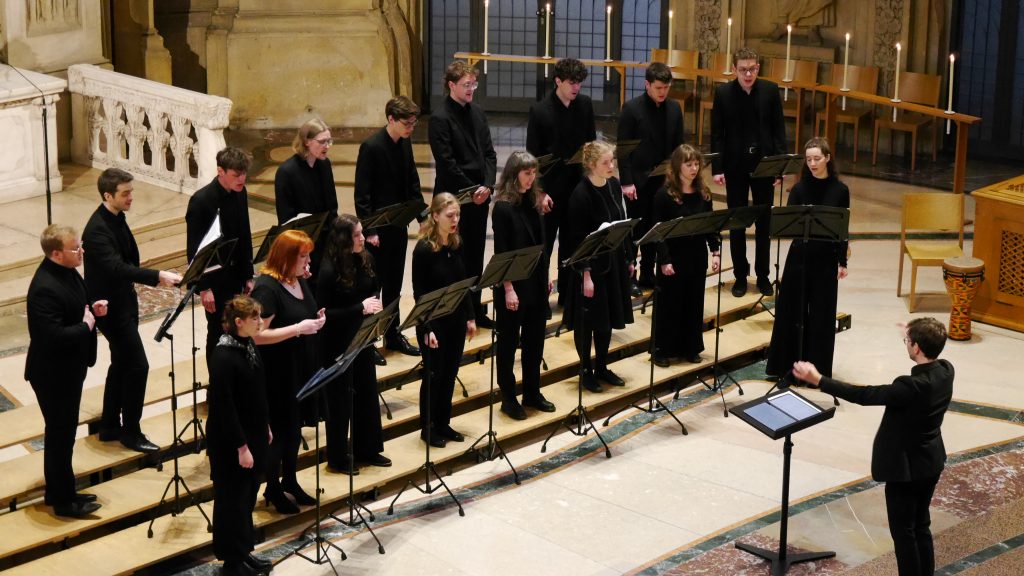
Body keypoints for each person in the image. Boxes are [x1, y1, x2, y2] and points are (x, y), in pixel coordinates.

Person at [792, 317, 953, 576]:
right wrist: (916, 333)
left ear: (916, 348)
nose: (906, 345)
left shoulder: (910, 386)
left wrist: (819, 379)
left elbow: (863, 396)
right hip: (930, 461)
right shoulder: (946, 370)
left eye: (908, 342)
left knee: (904, 533)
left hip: (906, 469)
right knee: (921, 525)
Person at [83, 168, 182, 454]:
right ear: (107, 195)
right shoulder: (97, 230)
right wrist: (157, 276)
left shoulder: (115, 218)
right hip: (109, 309)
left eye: (131, 192)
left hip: (123, 302)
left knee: (121, 363)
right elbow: (116, 267)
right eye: (125, 193)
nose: (131, 198)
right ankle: (131, 432)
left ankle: (111, 424)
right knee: (138, 365)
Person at [25, 224, 106, 518]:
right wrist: (85, 325)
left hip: (68, 369)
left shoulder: (67, 271)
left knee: (63, 434)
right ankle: (63, 501)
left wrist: (91, 310)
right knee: (60, 435)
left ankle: (61, 491)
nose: (81, 252)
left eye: (80, 245)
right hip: (52, 374)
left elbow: (76, 305)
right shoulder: (45, 288)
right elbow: (52, 336)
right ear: (57, 253)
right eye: (75, 248)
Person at [250, 230, 326, 514]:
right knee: (281, 433)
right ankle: (272, 486)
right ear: (286, 257)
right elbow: (257, 335)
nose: (308, 261)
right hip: (277, 372)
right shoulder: (267, 288)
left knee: (294, 432)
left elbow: (304, 312)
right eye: (303, 256)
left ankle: (290, 480)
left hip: (300, 366)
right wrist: (298, 328)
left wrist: (315, 320)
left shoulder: (296, 280)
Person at [766, 137, 849, 380]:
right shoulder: (800, 189)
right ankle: (787, 368)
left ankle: (817, 373)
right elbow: (789, 225)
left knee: (822, 315)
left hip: (825, 259)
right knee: (792, 311)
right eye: (809, 159)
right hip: (799, 257)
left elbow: (842, 230)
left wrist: (842, 262)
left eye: (817, 158)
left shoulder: (840, 190)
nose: (812, 163)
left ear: (828, 158)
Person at [316, 215, 390, 475]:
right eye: (357, 235)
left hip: (362, 337)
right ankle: (337, 457)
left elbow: (373, 288)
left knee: (366, 392)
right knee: (339, 402)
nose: (362, 238)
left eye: (362, 233)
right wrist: (360, 308)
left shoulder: (365, 258)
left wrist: (375, 306)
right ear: (344, 240)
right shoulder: (328, 271)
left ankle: (367, 449)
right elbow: (323, 315)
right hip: (337, 343)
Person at [710, 47, 786, 298]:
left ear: (758, 68)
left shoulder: (770, 90)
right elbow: (717, 134)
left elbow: (778, 131)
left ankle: (763, 275)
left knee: (764, 222)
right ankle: (740, 276)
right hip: (735, 165)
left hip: (764, 165)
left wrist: (779, 166)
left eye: (752, 68)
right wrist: (718, 167)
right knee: (738, 222)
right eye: (743, 69)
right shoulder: (723, 93)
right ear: (734, 69)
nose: (748, 74)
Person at [206, 295, 274, 576]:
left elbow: (257, 391)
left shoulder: (247, 345)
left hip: (253, 434)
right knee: (231, 501)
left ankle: (244, 551)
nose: (260, 322)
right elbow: (224, 407)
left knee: (246, 498)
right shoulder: (223, 356)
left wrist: (266, 425)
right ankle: (232, 561)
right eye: (255, 318)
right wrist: (241, 446)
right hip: (231, 443)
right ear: (238, 322)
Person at [428, 61, 498, 328]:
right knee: (453, 256)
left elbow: (490, 153)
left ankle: (475, 310)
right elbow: (446, 164)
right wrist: (473, 189)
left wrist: (488, 185)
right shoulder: (440, 118)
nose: (471, 90)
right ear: (451, 85)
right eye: (466, 85)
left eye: (473, 84)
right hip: (455, 197)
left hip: (479, 196)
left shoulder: (477, 112)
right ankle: (456, 312)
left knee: (475, 255)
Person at [354, 96, 422, 362]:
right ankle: (368, 341)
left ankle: (393, 334)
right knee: (373, 288)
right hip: (377, 233)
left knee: (394, 284)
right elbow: (362, 194)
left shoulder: (404, 143)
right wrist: (369, 230)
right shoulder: (370, 147)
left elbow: (413, 180)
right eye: (407, 123)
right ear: (391, 119)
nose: (411, 127)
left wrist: (420, 214)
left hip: (397, 226)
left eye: (414, 123)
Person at [491, 152, 557, 420]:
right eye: (527, 173)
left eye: (534, 173)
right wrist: (508, 288)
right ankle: (508, 397)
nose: (532, 178)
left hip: (535, 281)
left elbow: (541, 245)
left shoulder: (533, 202)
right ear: (514, 173)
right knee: (507, 344)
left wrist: (547, 274)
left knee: (534, 341)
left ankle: (532, 391)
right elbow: (502, 253)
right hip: (513, 287)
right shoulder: (504, 208)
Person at [564, 141, 634, 393]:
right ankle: (586, 370)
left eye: (612, 161)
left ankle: (602, 366)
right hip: (589, 269)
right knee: (588, 322)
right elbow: (575, 240)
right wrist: (586, 275)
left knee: (606, 320)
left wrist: (629, 258)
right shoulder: (580, 194)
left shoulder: (614, 186)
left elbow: (621, 222)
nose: (612, 166)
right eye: (606, 162)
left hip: (612, 263)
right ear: (592, 165)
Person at [526, 57, 596, 303]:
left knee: (573, 243)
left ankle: (568, 297)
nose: (576, 87)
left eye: (579, 83)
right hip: (550, 190)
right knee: (544, 247)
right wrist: (540, 192)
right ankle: (540, 300)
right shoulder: (540, 110)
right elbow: (532, 157)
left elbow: (590, 147)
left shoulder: (585, 106)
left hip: (577, 189)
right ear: (557, 81)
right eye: (571, 82)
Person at [411, 192, 477, 448]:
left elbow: (462, 285)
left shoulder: (456, 243)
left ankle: (443, 422)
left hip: (455, 320)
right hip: (433, 325)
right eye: (450, 216)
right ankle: (427, 427)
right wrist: (427, 329)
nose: (455, 220)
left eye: (458, 215)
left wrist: (470, 316)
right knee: (434, 375)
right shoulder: (424, 250)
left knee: (450, 374)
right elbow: (419, 294)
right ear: (435, 216)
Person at [651, 145, 721, 367]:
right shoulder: (664, 196)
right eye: (688, 164)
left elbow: (710, 225)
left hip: (696, 256)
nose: (693, 168)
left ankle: (690, 348)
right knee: (669, 304)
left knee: (693, 302)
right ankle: (661, 350)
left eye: (696, 164)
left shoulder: (703, 193)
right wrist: (664, 260)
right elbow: (658, 232)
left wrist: (715, 251)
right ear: (677, 166)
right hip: (673, 258)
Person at [617, 61, 685, 293]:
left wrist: (678, 178)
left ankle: (648, 273)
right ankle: (631, 275)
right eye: (658, 88)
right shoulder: (631, 109)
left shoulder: (674, 109)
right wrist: (626, 182)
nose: (663, 92)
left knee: (657, 227)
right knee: (637, 229)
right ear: (647, 85)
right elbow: (623, 150)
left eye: (666, 88)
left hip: (663, 180)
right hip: (637, 181)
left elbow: (679, 148)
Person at [186, 147, 255, 361]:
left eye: (244, 173)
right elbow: (195, 249)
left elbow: (245, 233)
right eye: (236, 174)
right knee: (218, 330)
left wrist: (248, 274)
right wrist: (204, 287)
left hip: (235, 274)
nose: (242, 179)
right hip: (214, 280)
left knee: (238, 326)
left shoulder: (240, 191)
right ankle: (217, 379)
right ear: (220, 171)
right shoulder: (201, 201)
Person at [274, 118, 340, 284]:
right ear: (307, 142)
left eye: (329, 141)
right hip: (302, 247)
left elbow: (332, 206)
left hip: (325, 242)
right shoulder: (286, 172)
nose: (327, 146)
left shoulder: (324, 165)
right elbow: (286, 218)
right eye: (322, 141)